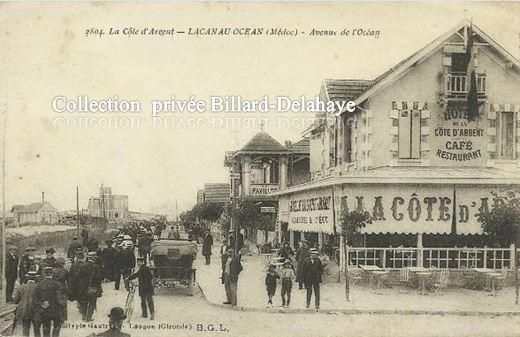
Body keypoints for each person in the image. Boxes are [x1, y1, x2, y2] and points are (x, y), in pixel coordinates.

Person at [33, 267, 65, 337]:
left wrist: (42, 303)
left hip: (44, 309)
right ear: (52, 274)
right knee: (57, 326)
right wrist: (63, 312)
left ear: (44, 274)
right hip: (56, 309)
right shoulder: (58, 284)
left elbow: (35, 299)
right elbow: (62, 299)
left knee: (46, 326)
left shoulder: (39, 285)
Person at [77, 252, 103, 322]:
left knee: (84, 302)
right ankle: (89, 317)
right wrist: (98, 288)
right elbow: (99, 278)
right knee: (92, 302)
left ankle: (83, 316)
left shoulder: (83, 266)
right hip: (93, 287)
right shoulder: (97, 267)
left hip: (83, 287)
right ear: (93, 258)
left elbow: (78, 276)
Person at [12, 270, 39, 337]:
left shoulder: (21, 287)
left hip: (25, 311)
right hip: (36, 312)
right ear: (36, 278)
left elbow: (15, 301)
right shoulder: (38, 287)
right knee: (37, 330)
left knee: (25, 329)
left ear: (27, 278)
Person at [52, 258, 69, 322]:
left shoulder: (53, 271)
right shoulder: (65, 271)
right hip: (62, 287)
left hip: (55, 288)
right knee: (63, 303)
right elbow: (68, 280)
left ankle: (56, 318)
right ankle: (63, 318)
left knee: (55, 302)